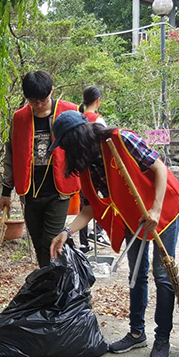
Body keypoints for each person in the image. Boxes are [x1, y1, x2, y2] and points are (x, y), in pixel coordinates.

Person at [48, 112, 179, 357]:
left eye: (66, 146)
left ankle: (162, 338)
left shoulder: (121, 139)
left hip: (163, 208)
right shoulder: (86, 166)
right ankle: (137, 333)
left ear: (77, 139)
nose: (66, 153)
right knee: (136, 272)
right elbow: (89, 209)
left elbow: (159, 168)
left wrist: (155, 209)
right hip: (134, 218)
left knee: (163, 274)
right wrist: (65, 232)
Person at [0, 71, 81, 267]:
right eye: (32, 101)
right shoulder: (20, 118)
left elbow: (83, 147)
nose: (37, 105)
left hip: (58, 190)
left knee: (50, 241)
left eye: (42, 100)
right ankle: (50, 281)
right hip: (30, 190)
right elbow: (11, 154)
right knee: (38, 243)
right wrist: (6, 191)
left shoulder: (69, 112)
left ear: (52, 91)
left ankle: (55, 283)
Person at [77, 86, 109, 252]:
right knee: (103, 201)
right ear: (98, 101)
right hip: (98, 170)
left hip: (82, 170)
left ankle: (84, 242)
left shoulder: (78, 118)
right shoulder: (98, 120)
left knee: (84, 205)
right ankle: (98, 231)